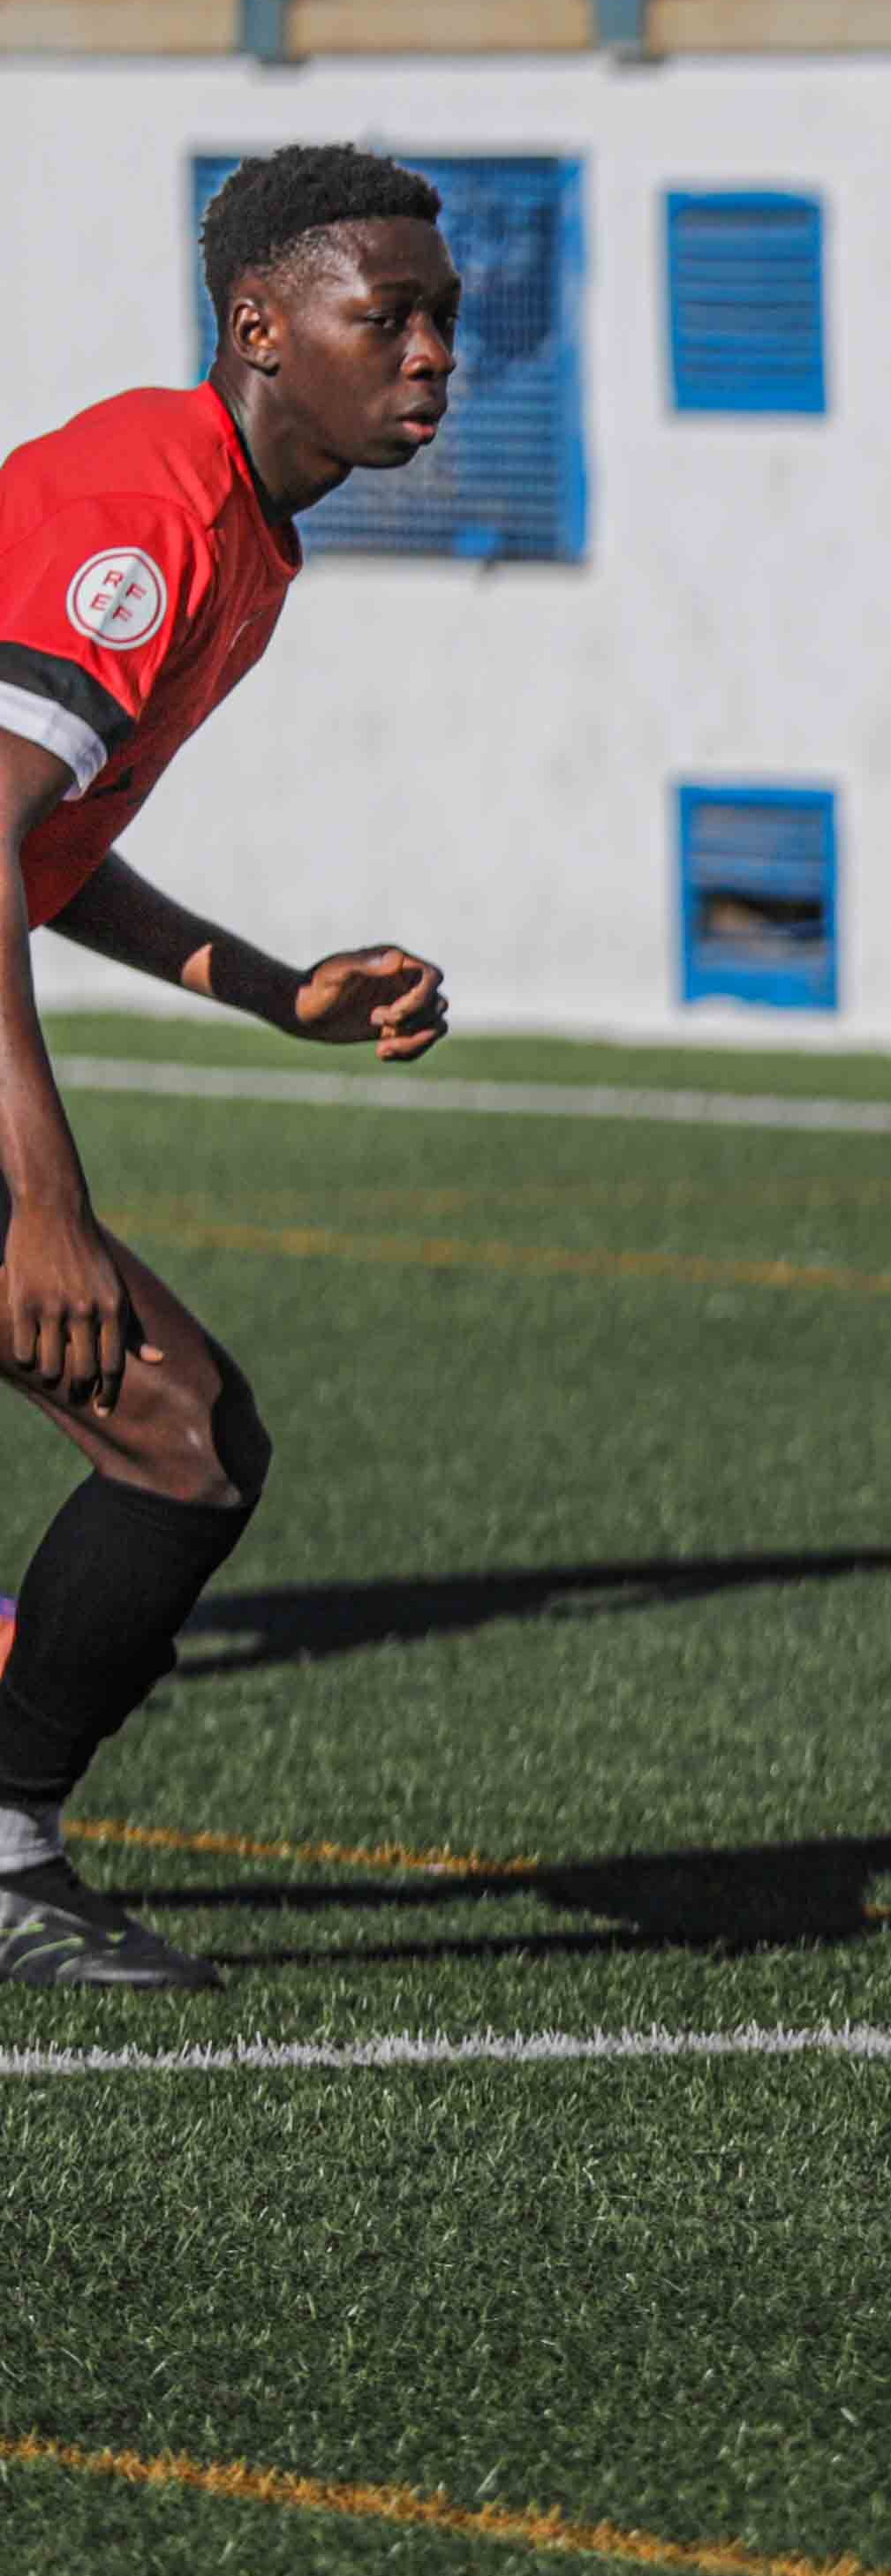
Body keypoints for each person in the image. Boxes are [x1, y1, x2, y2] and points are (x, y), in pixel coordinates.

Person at [0, 144, 463, 1992]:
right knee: (174, 1427)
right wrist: (47, 1207)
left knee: (182, 1433)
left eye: (444, 318)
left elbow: (46, 848)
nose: (431, 353)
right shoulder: (149, 515)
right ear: (264, 325)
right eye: (392, 316)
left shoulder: (244, 526)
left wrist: (267, 987)